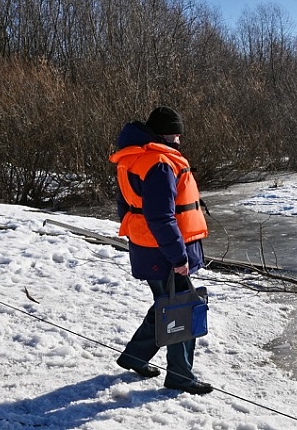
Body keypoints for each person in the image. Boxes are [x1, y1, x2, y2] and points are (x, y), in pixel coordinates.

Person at [109, 106, 213, 395]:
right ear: (164, 135)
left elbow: (124, 206)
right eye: (175, 134)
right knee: (183, 309)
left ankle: (135, 356)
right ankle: (180, 376)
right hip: (164, 251)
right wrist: (178, 256)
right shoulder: (160, 163)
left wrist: (140, 235)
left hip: (148, 246)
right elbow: (161, 217)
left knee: (166, 303)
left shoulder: (133, 157)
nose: (179, 140)